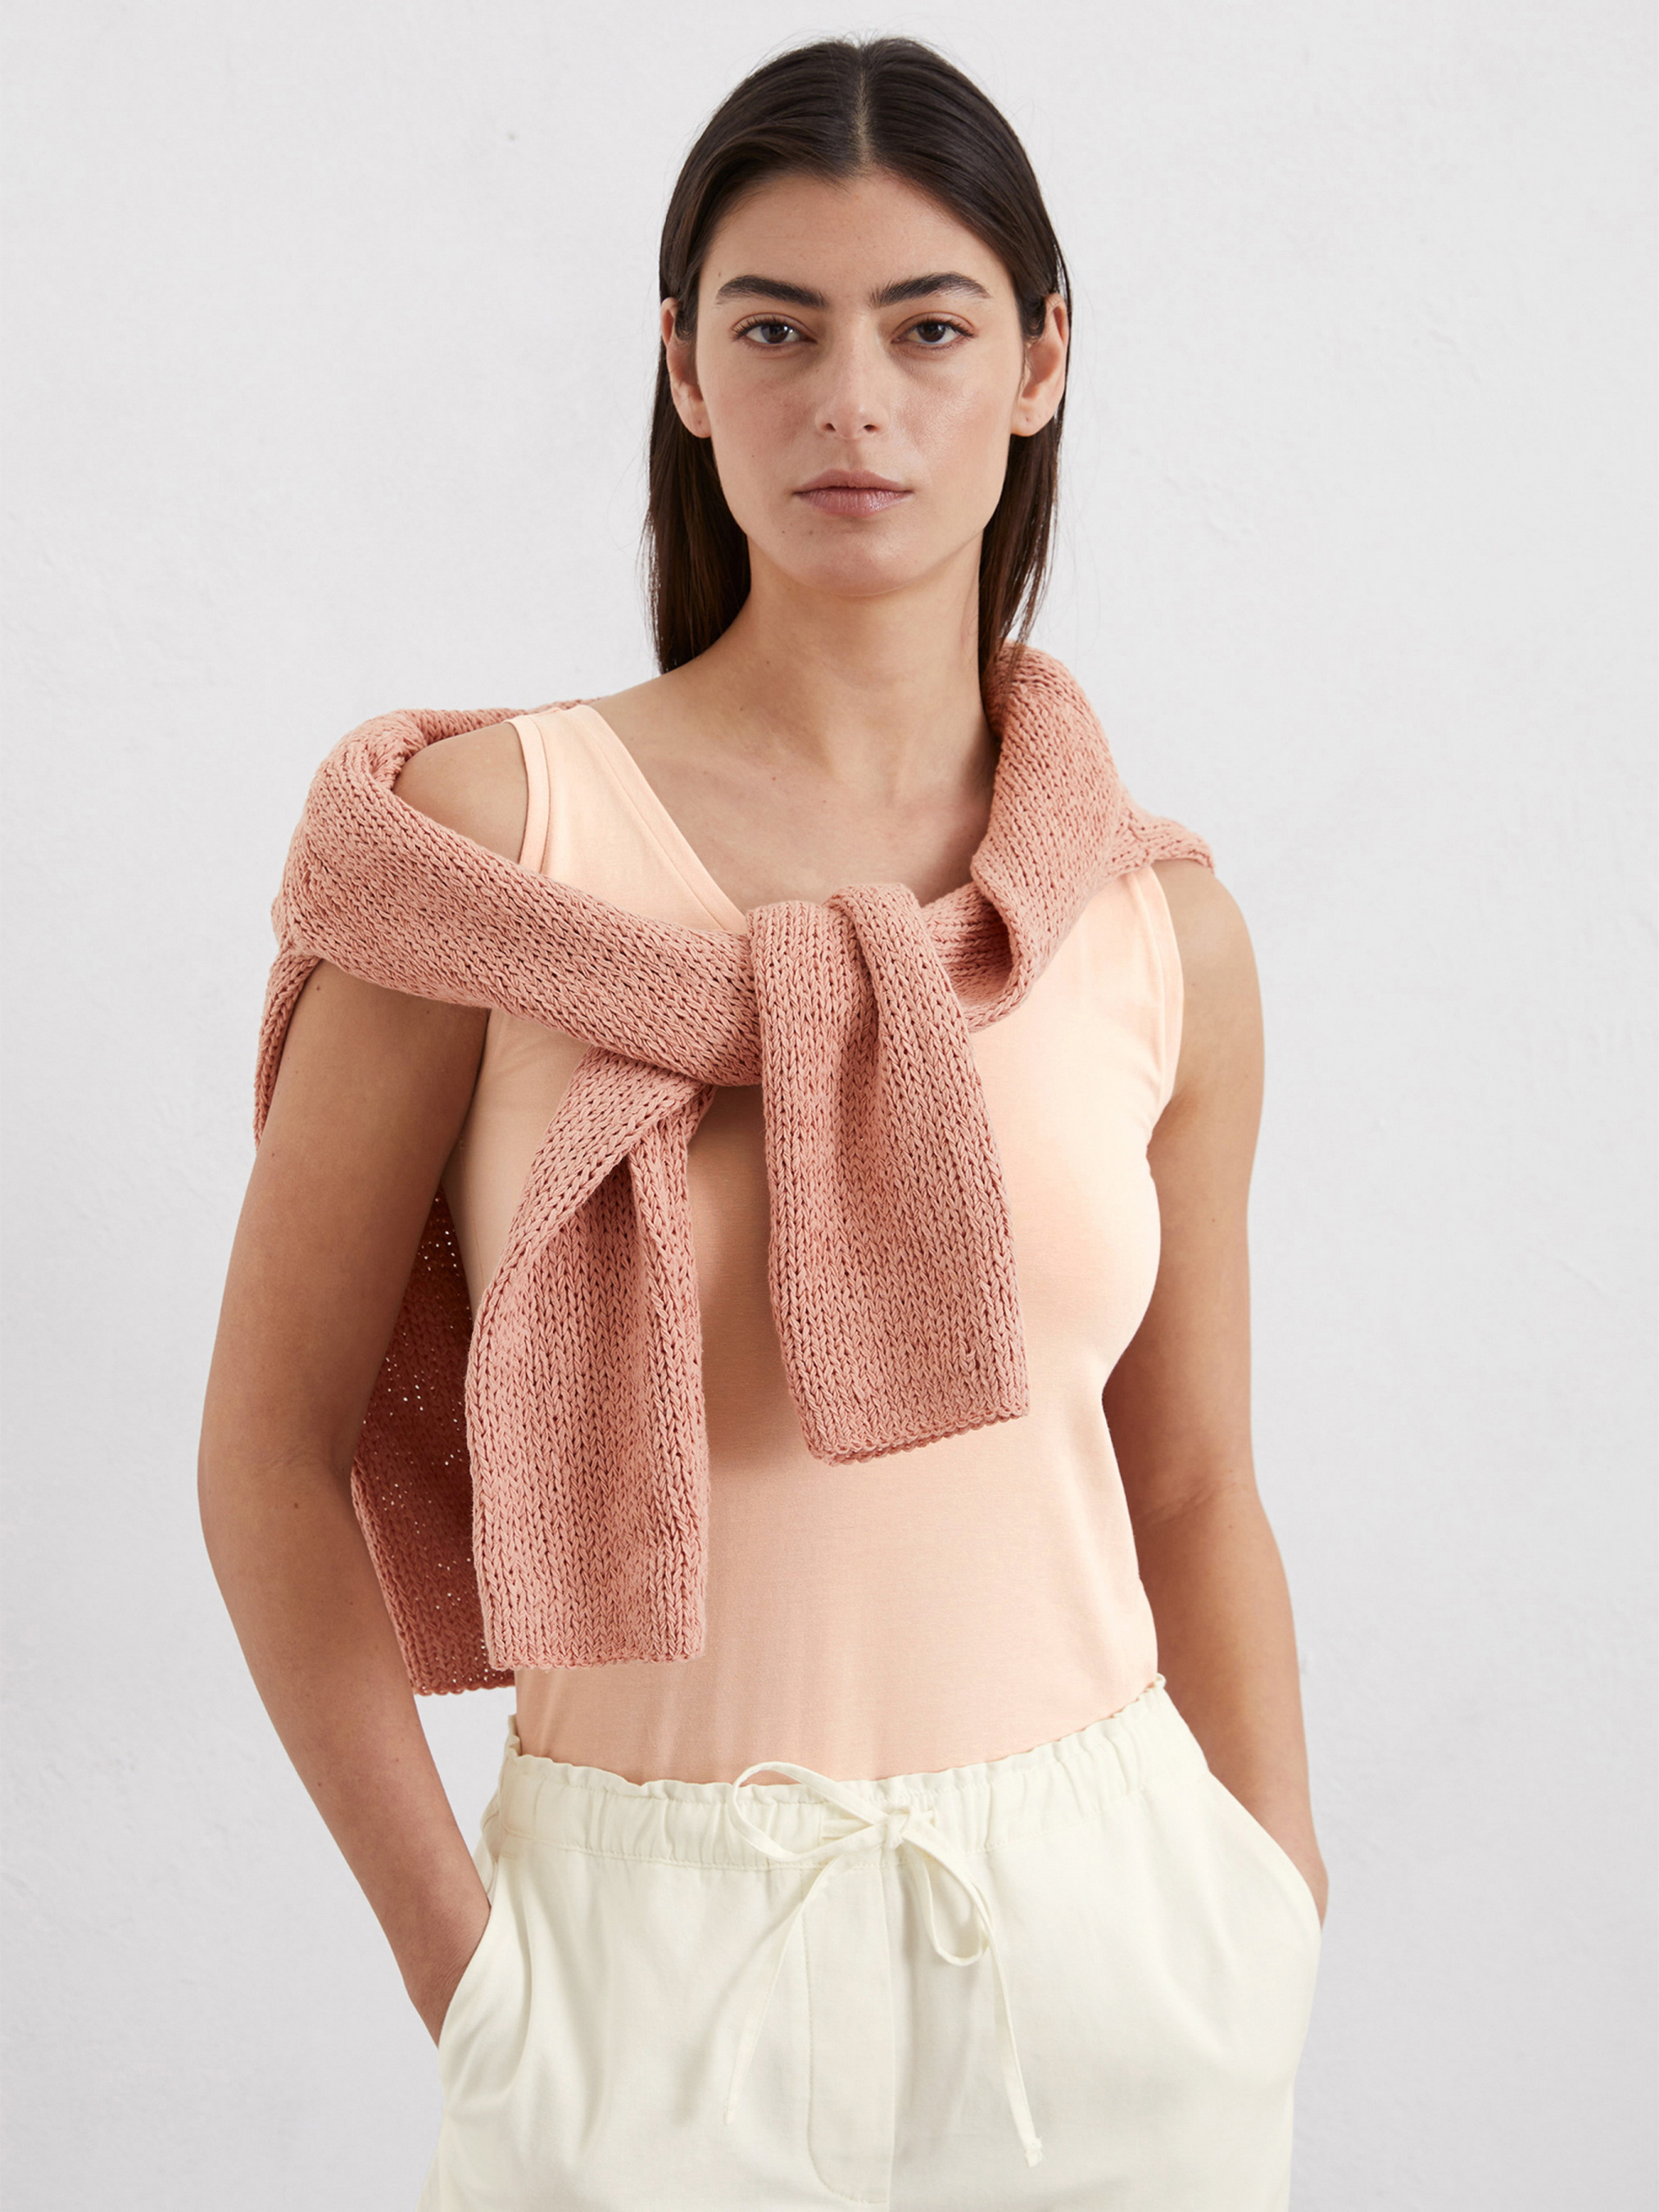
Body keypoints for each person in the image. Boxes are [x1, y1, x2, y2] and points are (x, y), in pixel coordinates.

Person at [199, 33, 1328, 2212]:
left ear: (1041, 360)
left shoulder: (1150, 926)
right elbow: (268, 1445)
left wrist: (1269, 1900)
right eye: (778, 329)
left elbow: (1192, 1482)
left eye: (930, 327)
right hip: (642, 1976)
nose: (853, 402)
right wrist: (475, 1978)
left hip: (1106, 1958)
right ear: (685, 370)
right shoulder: (484, 851)